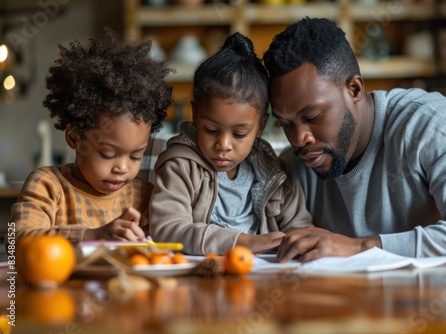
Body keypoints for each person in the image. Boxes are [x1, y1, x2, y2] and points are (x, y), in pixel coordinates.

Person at [263, 18, 446, 262]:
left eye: (312, 116)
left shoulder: (430, 123)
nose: (299, 138)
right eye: (286, 124)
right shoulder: (294, 165)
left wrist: (361, 247)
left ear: (354, 89)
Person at [150, 32, 313, 255]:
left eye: (239, 134)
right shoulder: (181, 168)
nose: (223, 145)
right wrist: (242, 242)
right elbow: (167, 230)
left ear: (260, 127)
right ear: (195, 114)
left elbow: (302, 230)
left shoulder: (273, 173)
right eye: (212, 130)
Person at [10, 28, 173, 245]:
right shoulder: (49, 186)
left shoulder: (144, 196)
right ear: (75, 139)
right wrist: (93, 235)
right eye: (107, 154)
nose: (123, 168)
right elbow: (18, 240)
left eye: (135, 156)